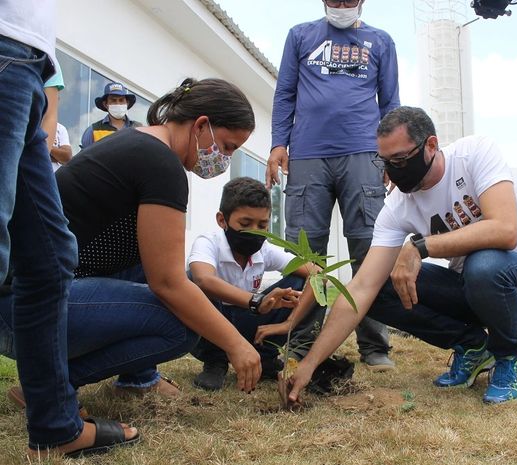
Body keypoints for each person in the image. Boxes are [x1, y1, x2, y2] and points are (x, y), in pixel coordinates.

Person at [1, 78, 262, 421]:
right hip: (26, 312)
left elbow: (155, 263)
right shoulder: (162, 164)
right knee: (183, 323)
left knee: (181, 285)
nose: (224, 159)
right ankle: (50, 386)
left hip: (21, 304)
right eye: (227, 147)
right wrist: (236, 343)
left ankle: (138, 377)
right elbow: (167, 284)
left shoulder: (140, 143)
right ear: (201, 126)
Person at [286, 106, 517, 406]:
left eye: (401, 159)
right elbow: (362, 287)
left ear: (430, 145)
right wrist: (309, 364)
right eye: (386, 162)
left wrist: (420, 247)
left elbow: (506, 230)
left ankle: (510, 357)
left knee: (484, 264)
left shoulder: (474, 154)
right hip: (472, 289)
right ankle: (474, 347)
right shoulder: (397, 207)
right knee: (378, 289)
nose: (393, 171)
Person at [0, 0, 138, 457]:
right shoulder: (104, 135)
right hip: (7, 50)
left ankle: (55, 426)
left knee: (51, 256)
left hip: (29, 63)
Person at [266, 0, 400, 371]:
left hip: (364, 152)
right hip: (308, 155)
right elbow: (285, 94)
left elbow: (390, 104)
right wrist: (279, 143)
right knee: (305, 252)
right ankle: (300, 342)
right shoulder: (300, 36)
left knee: (370, 247)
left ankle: (375, 346)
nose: (341, 5)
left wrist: (391, 156)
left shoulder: (382, 41)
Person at [188, 177, 324, 390]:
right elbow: (202, 278)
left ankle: (265, 356)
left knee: (299, 280)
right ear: (222, 220)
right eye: (245, 224)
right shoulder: (208, 243)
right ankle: (215, 360)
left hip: (247, 320)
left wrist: (290, 322)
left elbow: (319, 275)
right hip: (212, 323)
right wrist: (256, 301)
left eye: (262, 225)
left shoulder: (265, 249)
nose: (255, 232)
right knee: (191, 284)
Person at [80, 81, 142, 148]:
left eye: (121, 100)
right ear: (105, 104)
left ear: (127, 103)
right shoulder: (93, 131)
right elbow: (84, 157)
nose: (118, 104)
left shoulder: (138, 128)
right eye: (113, 100)